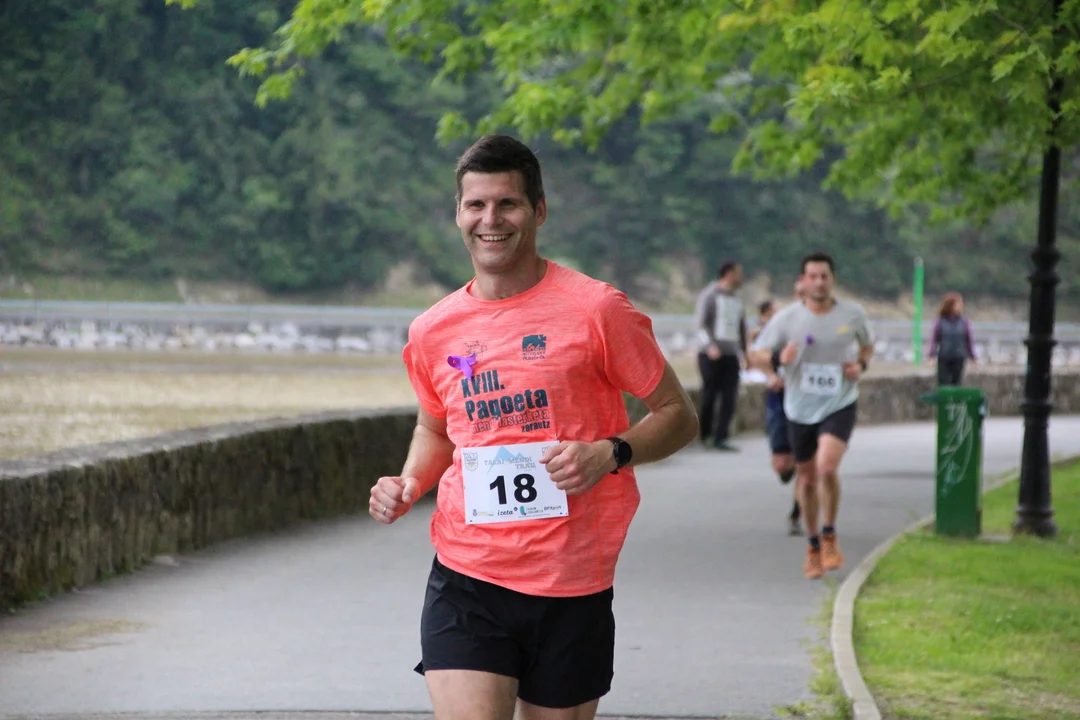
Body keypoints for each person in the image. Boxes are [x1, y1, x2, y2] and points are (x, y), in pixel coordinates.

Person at [367, 135, 699, 720]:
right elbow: (436, 428)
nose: (490, 220)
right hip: (467, 574)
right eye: (476, 205)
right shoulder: (432, 330)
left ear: (538, 211)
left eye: (508, 204)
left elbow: (678, 414)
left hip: (571, 580)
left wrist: (611, 452)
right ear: (458, 214)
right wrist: (410, 482)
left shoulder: (597, 310)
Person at [749, 252, 874, 579]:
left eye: (824, 276)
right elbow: (755, 355)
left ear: (833, 280)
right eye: (813, 276)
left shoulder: (853, 314)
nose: (819, 282)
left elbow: (867, 346)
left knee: (826, 467)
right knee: (805, 479)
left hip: (839, 402)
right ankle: (813, 545)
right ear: (802, 282)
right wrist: (778, 358)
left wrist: (860, 366)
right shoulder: (787, 319)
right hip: (800, 408)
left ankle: (830, 534)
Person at [752, 293, 801, 536]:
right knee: (783, 465)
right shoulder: (781, 324)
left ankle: (797, 511)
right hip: (780, 395)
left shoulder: (827, 324)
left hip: (811, 399)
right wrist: (771, 375)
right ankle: (790, 467)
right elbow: (755, 355)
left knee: (809, 462)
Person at [694, 261, 747, 451]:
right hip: (710, 355)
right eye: (738, 273)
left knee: (729, 396)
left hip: (731, 354)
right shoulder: (710, 294)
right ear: (728, 274)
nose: (741, 277)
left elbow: (741, 328)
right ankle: (706, 435)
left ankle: (721, 436)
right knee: (710, 394)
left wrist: (745, 352)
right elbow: (700, 324)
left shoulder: (737, 299)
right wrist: (709, 346)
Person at [929, 292, 977, 386]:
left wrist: (973, 357)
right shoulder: (941, 322)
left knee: (957, 383)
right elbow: (934, 340)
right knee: (943, 383)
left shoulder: (964, 322)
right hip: (944, 356)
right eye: (957, 304)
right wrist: (931, 356)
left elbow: (968, 340)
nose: (960, 307)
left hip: (959, 357)